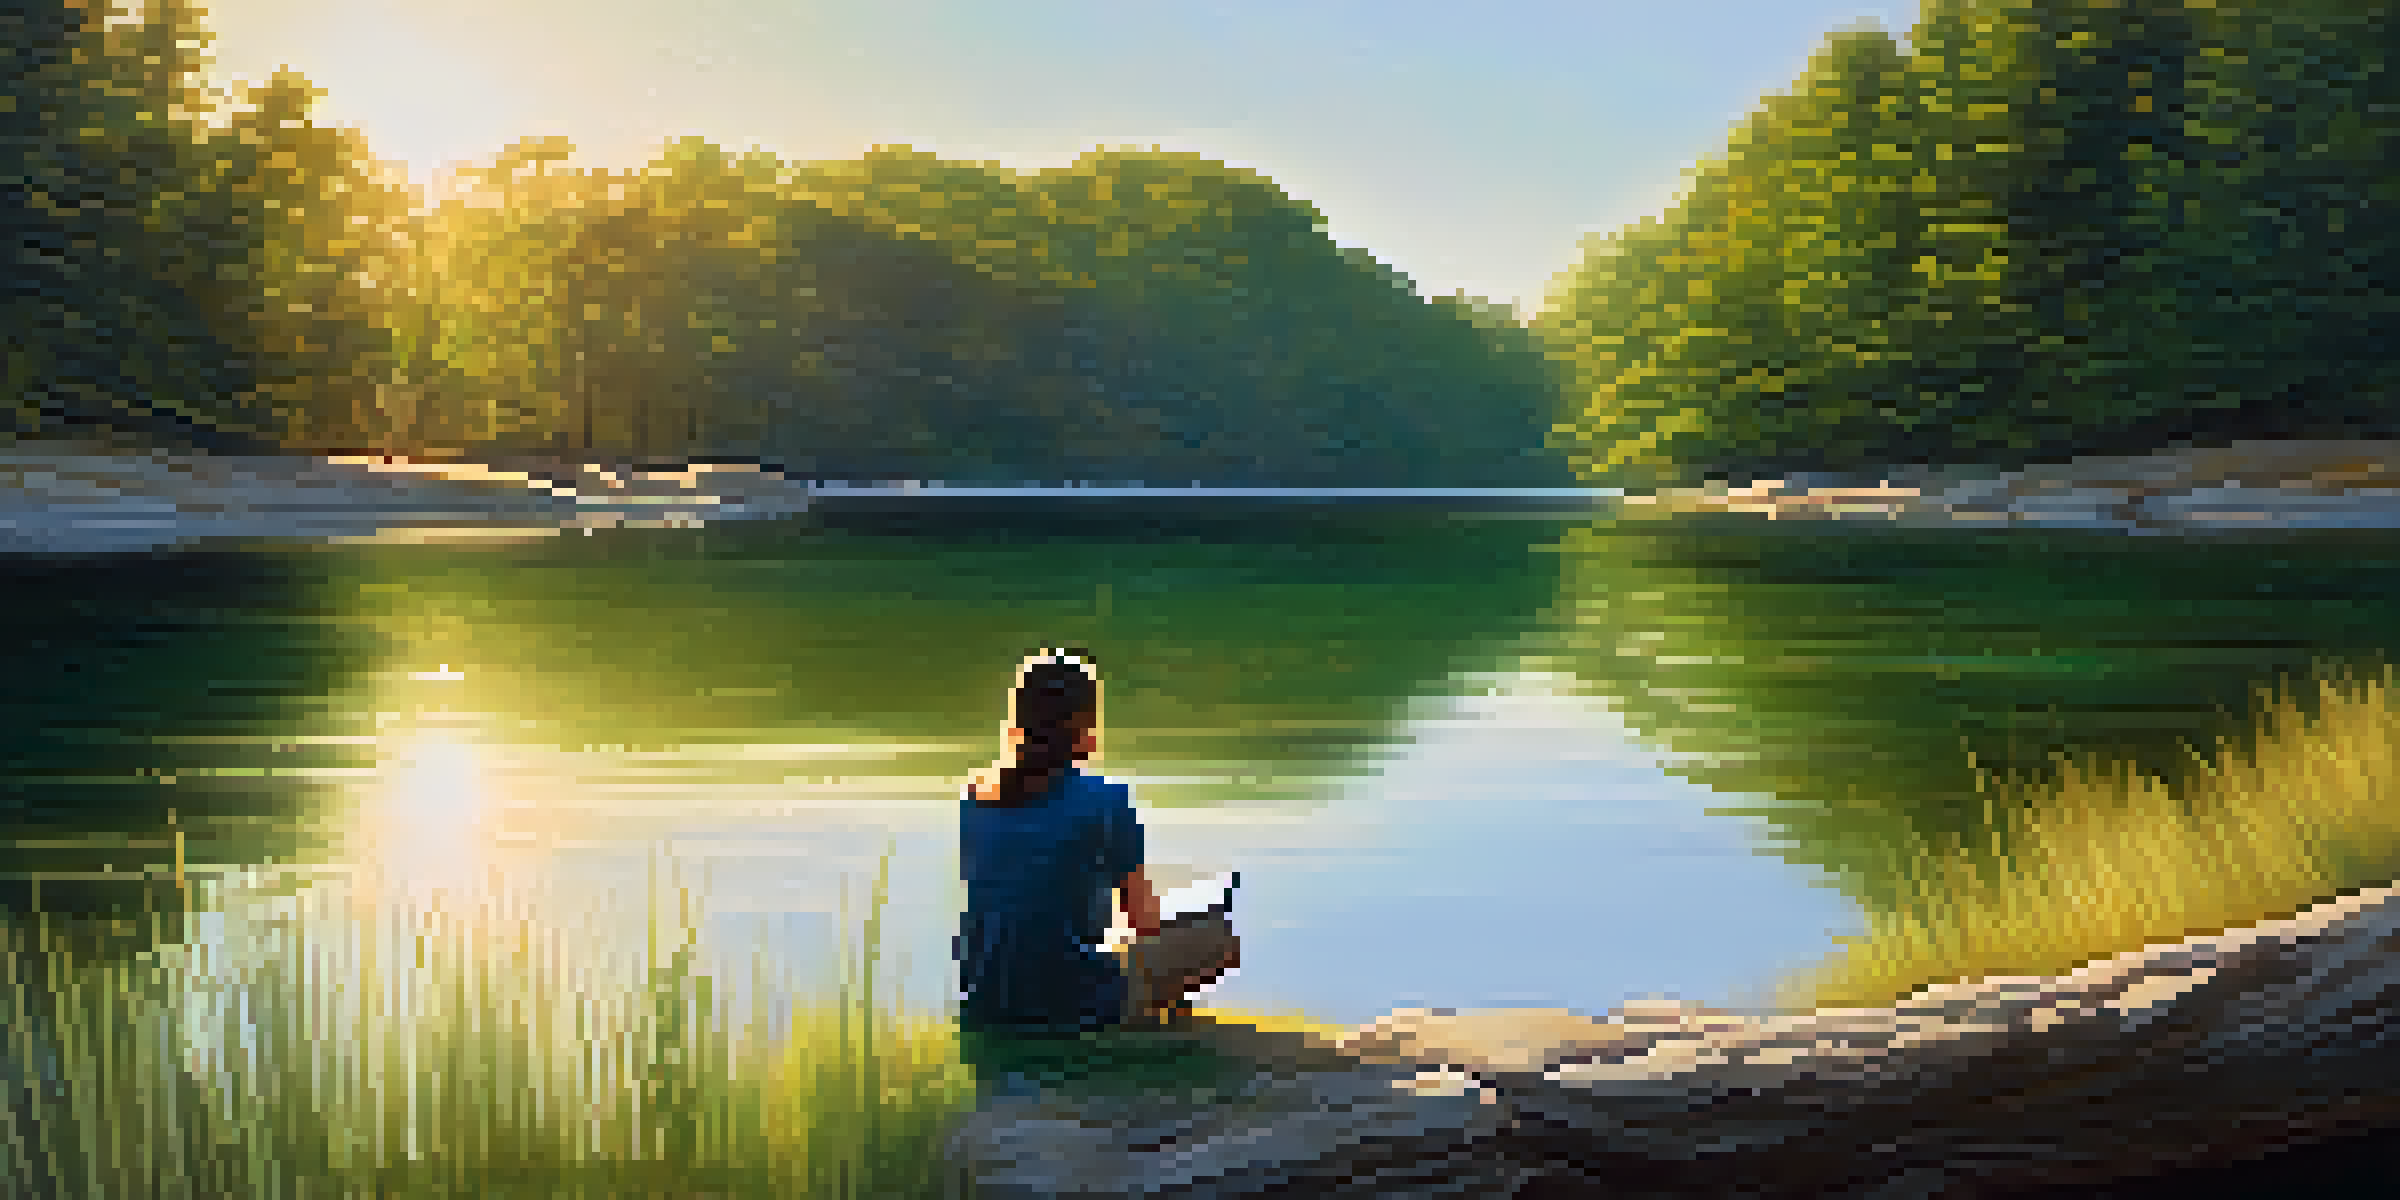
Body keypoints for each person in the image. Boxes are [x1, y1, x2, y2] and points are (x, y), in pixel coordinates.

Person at [954, 648, 1236, 1036]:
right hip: (1071, 1007)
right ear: (1084, 722)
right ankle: (1159, 1028)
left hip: (986, 1003)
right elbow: (1142, 921)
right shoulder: (1105, 799)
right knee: (1217, 934)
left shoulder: (977, 796)